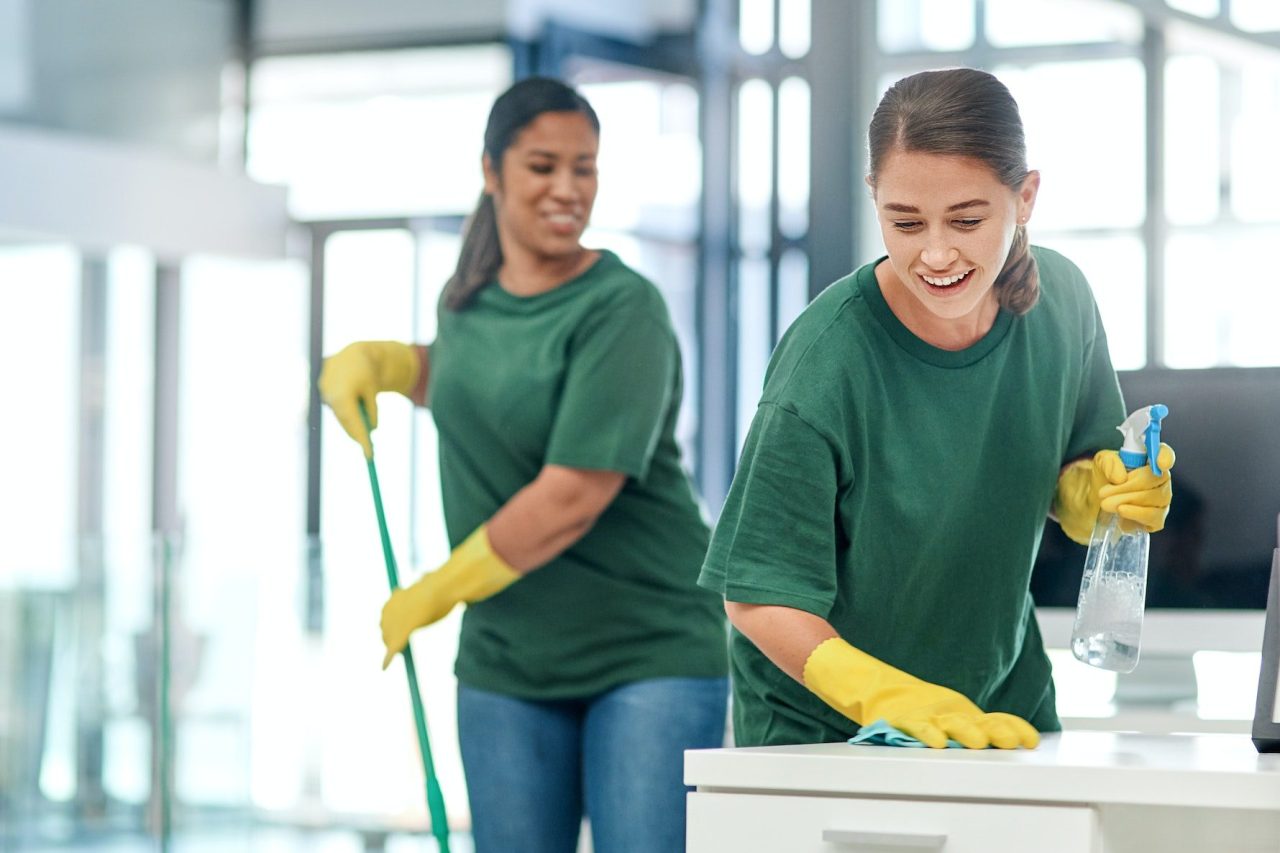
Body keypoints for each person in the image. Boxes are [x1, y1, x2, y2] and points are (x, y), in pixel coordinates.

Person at [698, 67, 1176, 750]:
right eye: (905, 222)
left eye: (967, 220)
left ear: (1026, 197)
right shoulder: (827, 358)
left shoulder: (1063, 302)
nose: (937, 253)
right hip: (824, 731)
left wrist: (1099, 495)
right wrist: (883, 695)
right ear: (874, 197)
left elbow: (1075, 466)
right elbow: (757, 594)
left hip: (1000, 701)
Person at [317, 77, 728, 852]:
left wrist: (437, 589)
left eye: (585, 167)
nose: (567, 188)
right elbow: (487, 385)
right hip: (507, 660)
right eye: (543, 166)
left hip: (647, 652)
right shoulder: (467, 298)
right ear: (492, 171)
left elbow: (573, 494)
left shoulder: (623, 308)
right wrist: (396, 365)